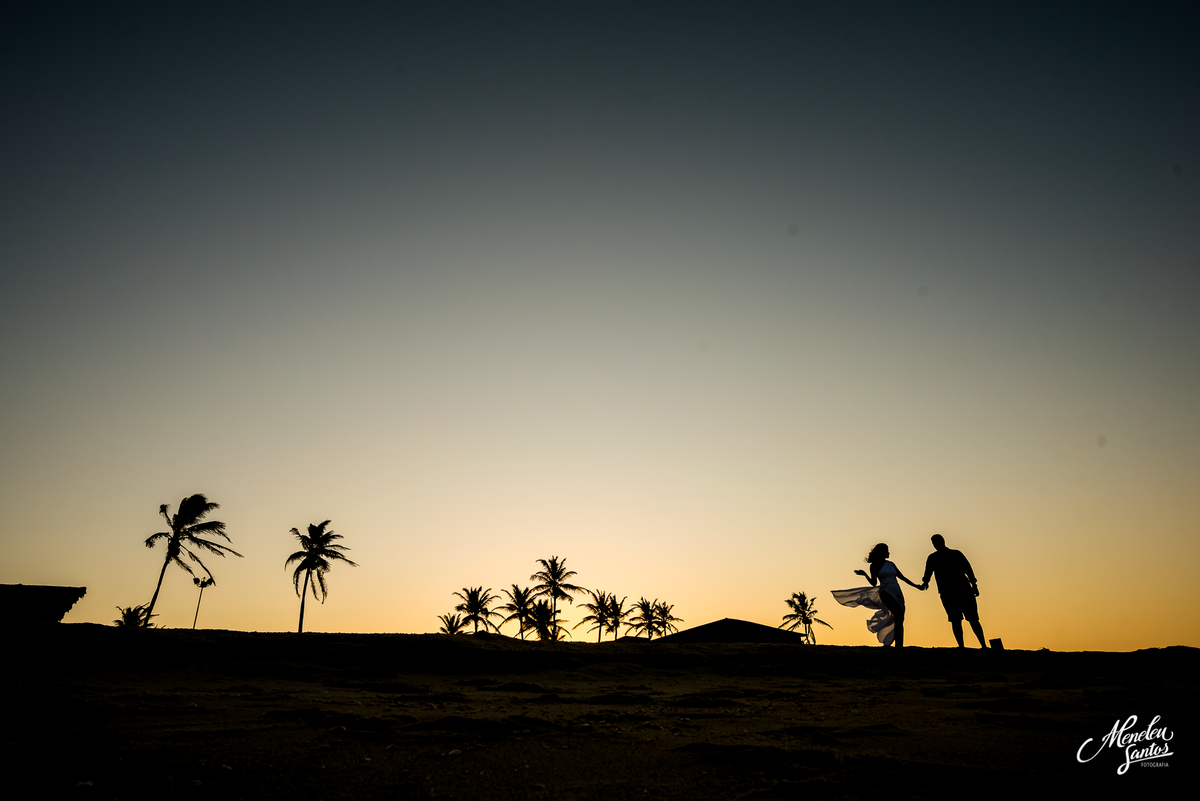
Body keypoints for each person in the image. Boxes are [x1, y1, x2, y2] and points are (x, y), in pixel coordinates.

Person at [833, 543, 924, 647]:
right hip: (885, 592)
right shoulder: (874, 566)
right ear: (881, 552)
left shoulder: (891, 564)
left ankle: (899, 645)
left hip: (897, 592)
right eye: (887, 550)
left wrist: (917, 586)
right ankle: (899, 646)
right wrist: (865, 574)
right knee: (898, 615)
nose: (889, 552)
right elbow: (873, 583)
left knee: (900, 618)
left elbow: (902, 577)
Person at [920, 534, 987, 648]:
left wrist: (925, 583)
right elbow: (968, 569)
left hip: (953, 591)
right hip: (959, 590)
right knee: (967, 620)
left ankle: (967, 646)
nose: (935, 545)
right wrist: (974, 584)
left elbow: (928, 573)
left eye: (935, 542)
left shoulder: (936, 557)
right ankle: (978, 646)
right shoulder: (953, 554)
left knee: (961, 620)